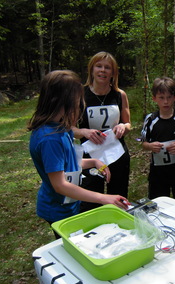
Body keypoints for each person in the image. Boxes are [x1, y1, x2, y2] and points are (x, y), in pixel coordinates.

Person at [28, 70, 129, 239]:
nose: (80, 105)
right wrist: (104, 198)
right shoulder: (49, 139)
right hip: (58, 209)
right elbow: (60, 185)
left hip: (70, 205)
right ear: (63, 101)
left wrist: (94, 162)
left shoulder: (62, 128)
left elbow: (69, 163)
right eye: (77, 100)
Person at [73, 52, 131, 212]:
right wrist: (84, 132)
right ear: (91, 70)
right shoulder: (80, 95)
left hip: (117, 154)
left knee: (118, 199)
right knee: (90, 201)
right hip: (90, 156)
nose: (103, 71)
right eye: (99, 66)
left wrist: (123, 127)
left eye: (108, 68)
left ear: (113, 73)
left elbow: (127, 123)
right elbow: (69, 128)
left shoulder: (120, 95)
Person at [141, 77, 175, 200]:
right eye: (161, 98)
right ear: (154, 98)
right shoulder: (150, 119)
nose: (166, 102)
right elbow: (143, 143)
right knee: (158, 203)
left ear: (174, 97)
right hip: (157, 173)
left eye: (169, 97)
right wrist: (150, 146)